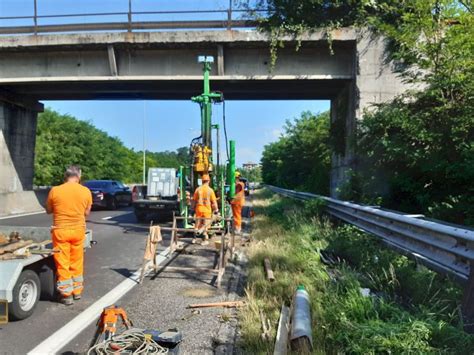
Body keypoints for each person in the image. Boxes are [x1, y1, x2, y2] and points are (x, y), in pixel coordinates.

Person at [46, 165, 92, 305]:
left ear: (65, 176)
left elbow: (48, 210)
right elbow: (86, 213)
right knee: (77, 261)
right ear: (79, 176)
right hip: (78, 230)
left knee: (63, 263)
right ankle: (77, 292)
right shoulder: (85, 191)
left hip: (61, 231)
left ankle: (66, 295)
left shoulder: (55, 190)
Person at [192, 174, 218, 245]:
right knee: (205, 226)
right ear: (209, 181)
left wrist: (192, 208)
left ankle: (194, 239)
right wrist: (216, 210)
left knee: (197, 224)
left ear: (202, 181)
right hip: (207, 210)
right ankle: (205, 240)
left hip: (199, 209)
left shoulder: (198, 189)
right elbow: (214, 202)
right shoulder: (210, 190)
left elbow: (194, 200)